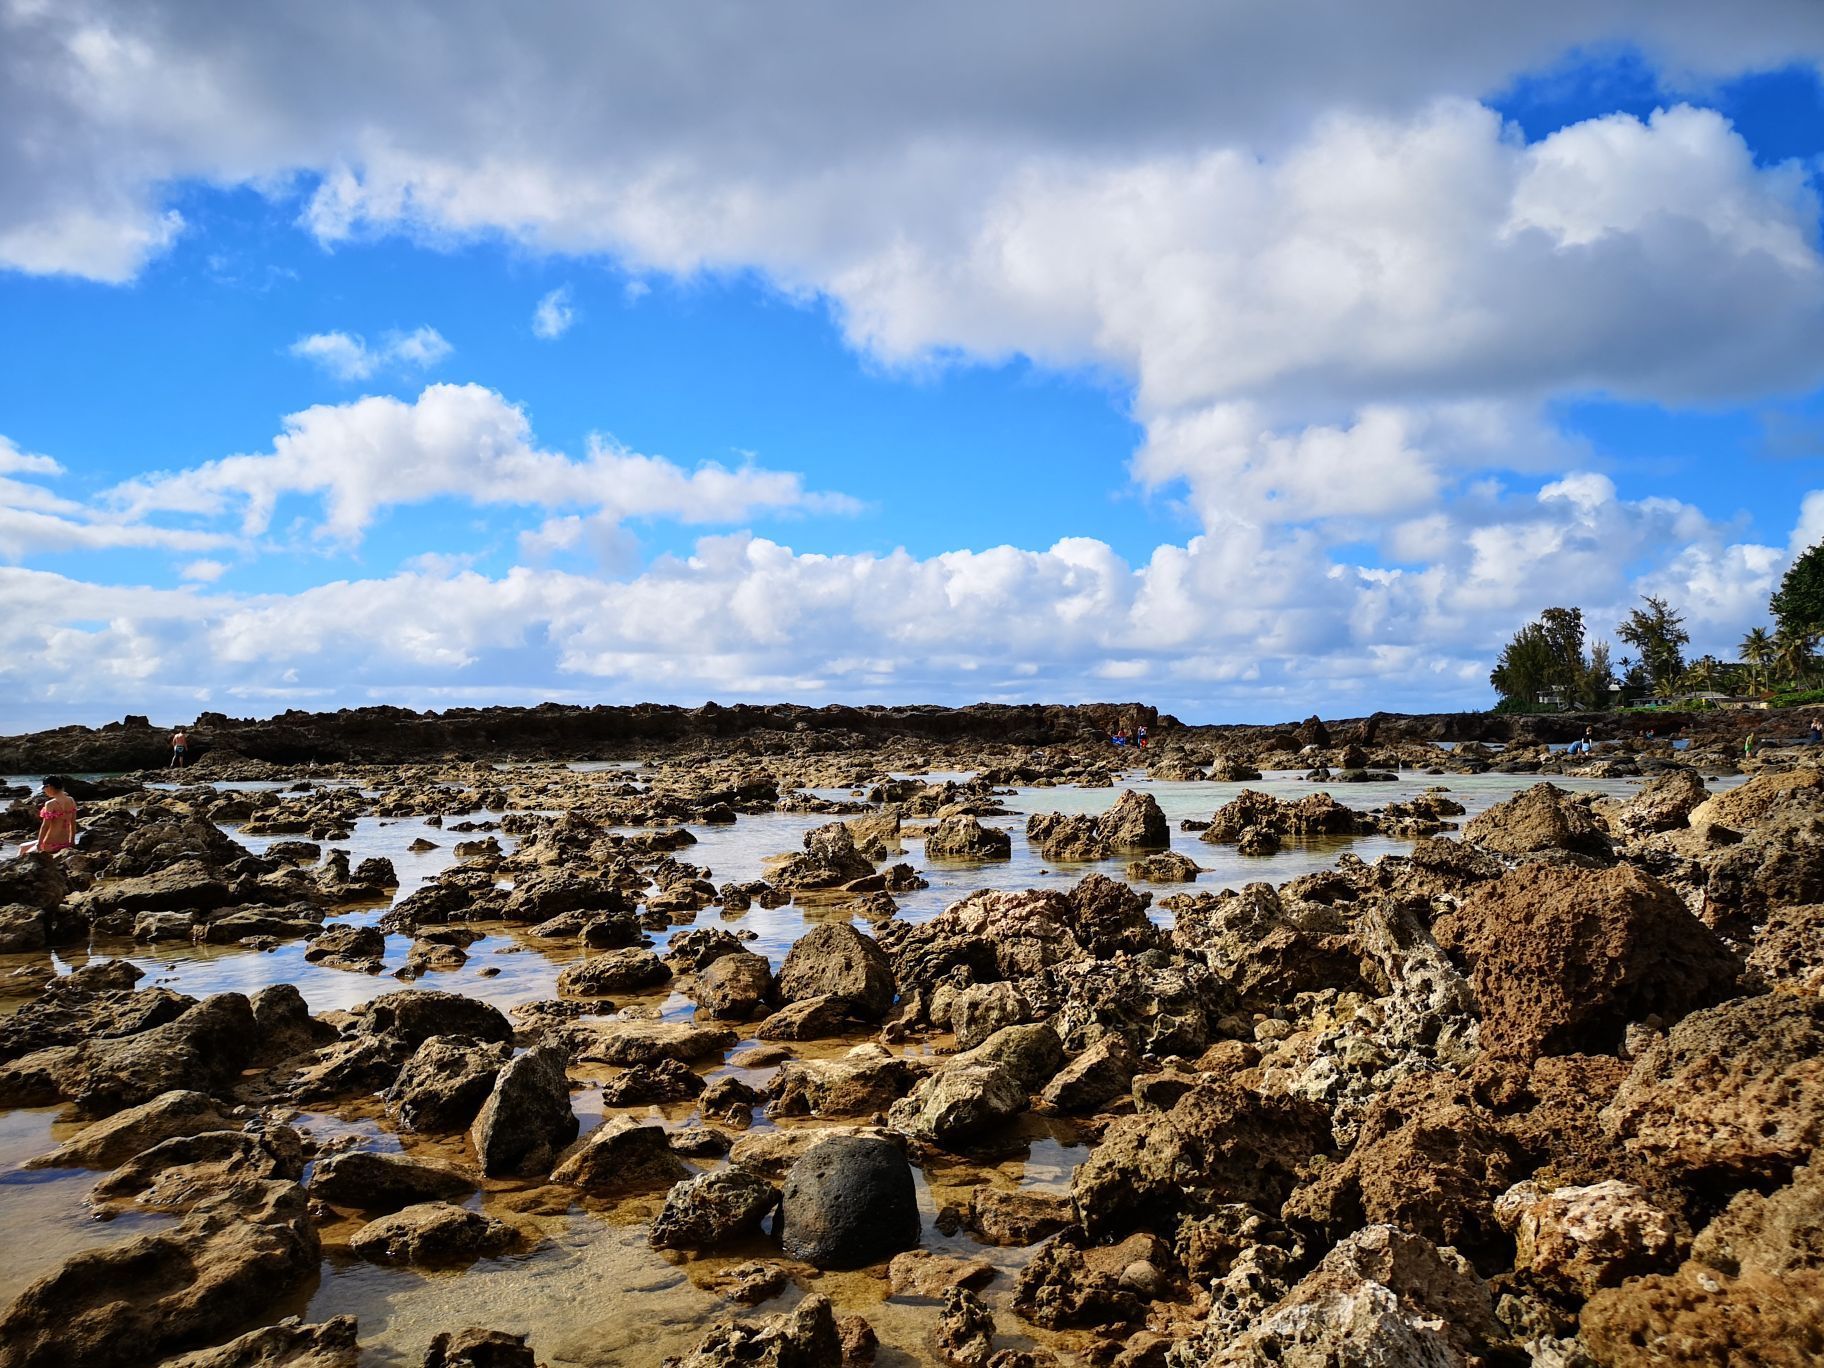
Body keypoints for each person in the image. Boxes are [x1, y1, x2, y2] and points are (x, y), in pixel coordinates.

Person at [17, 777, 77, 857]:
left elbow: (45, 826)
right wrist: (72, 841)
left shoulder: (50, 804)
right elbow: (73, 823)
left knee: (23, 854)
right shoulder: (71, 800)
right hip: (65, 843)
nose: (43, 791)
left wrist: (39, 844)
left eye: (44, 788)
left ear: (49, 786)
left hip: (49, 845)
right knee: (22, 846)